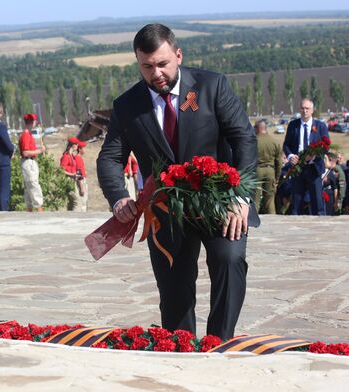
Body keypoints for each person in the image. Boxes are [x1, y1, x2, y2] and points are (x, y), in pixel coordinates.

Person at [97, 24, 258, 341]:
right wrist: (118, 197)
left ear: (178, 55)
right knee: (174, 290)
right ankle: (181, 348)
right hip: (166, 211)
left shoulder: (211, 87)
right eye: (147, 66)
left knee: (229, 259)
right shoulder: (127, 106)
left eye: (163, 63)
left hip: (221, 202)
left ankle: (219, 343)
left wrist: (241, 198)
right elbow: (110, 158)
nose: (156, 73)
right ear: (138, 63)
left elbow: (244, 141)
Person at [283, 98, 330, 215]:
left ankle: (319, 226)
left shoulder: (320, 126)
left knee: (317, 202)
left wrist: (313, 156)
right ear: (299, 109)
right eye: (302, 108)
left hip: (314, 168)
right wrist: (290, 157)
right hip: (297, 168)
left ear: (312, 110)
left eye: (307, 108)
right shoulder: (293, 125)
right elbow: (286, 145)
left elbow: (326, 146)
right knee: (297, 202)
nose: (305, 111)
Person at [254, 119, 282, 214]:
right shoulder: (274, 142)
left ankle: (253, 220)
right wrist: (277, 178)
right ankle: (272, 220)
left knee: (255, 199)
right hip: (270, 171)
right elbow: (279, 162)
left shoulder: (253, 141)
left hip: (257, 171)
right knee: (270, 200)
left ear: (258, 128)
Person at [19, 113, 45, 212]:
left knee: (29, 186)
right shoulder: (26, 135)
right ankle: (39, 208)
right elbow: (25, 152)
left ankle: (30, 208)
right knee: (33, 184)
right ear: (32, 122)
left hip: (30, 161)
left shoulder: (28, 134)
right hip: (28, 162)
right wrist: (39, 151)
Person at [60, 137, 85, 211]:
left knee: (71, 203)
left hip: (72, 179)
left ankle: (70, 218)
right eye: (76, 145)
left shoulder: (71, 156)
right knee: (76, 201)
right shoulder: (66, 156)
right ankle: (75, 218)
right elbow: (61, 170)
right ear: (73, 145)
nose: (77, 147)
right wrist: (72, 175)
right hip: (68, 180)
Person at [74, 140, 88, 212]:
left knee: (84, 202)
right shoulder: (77, 158)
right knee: (82, 203)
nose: (85, 150)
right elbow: (78, 173)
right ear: (79, 149)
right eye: (83, 148)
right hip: (81, 181)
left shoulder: (79, 158)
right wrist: (81, 187)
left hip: (82, 180)